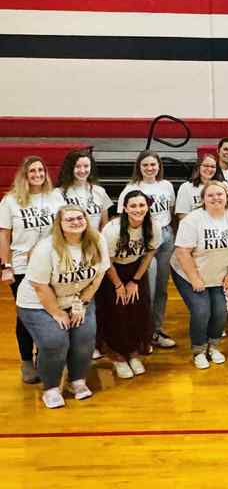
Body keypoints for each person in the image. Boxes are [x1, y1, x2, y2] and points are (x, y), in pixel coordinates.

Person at [16, 205, 110, 408]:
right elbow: (40, 286)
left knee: (85, 337)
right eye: (70, 219)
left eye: (80, 217)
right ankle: (50, 388)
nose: (76, 222)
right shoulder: (46, 248)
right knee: (55, 341)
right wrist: (57, 313)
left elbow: (99, 274)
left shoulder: (97, 240)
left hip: (77, 298)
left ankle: (77, 380)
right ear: (59, 224)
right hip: (38, 302)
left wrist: (82, 303)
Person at [170, 180, 228, 369]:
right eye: (210, 195)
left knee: (221, 311)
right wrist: (195, 278)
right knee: (201, 310)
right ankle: (198, 350)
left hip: (219, 275)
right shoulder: (193, 219)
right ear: (203, 199)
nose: (216, 198)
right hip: (189, 274)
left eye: (219, 194)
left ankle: (213, 346)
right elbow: (182, 252)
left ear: (227, 197)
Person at [1, 156, 66, 383]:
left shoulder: (55, 196)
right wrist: (6, 265)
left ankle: (43, 357)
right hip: (21, 266)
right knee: (26, 315)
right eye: (32, 171)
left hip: (51, 265)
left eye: (41, 170)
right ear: (25, 175)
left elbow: (63, 228)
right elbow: (4, 235)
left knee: (49, 312)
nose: (37, 174)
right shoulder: (11, 201)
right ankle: (26, 361)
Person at [97, 191, 160, 378]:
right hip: (112, 271)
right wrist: (118, 285)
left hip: (135, 269)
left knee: (139, 309)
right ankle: (117, 356)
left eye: (141, 205)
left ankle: (133, 352)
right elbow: (106, 261)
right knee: (117, 311)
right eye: (133, 206)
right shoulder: (112, 229)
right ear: (124, 208)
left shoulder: (152, 225)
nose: (138, 210)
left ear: (147, 207)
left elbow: (149, 253)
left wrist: (135, 281)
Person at [117, 151, 176, 349]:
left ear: (159, 166)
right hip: (144, 240)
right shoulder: (131, 189)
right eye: (146, 165)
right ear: (139, 167)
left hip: (166, 237)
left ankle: (155, 330)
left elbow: (172, 212)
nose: (150, 168)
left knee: (161, 289)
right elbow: (122, 219)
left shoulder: (166, 185)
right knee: (145, 288)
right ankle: (141, 331)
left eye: (153, 164)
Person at [56, 149, 112, 230]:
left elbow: (104, 225)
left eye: (86, 166)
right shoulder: (58, 193)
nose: (82, 170)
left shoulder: (100, 191)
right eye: (77, 166)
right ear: (70, 168)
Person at [175, 153, 221, 220]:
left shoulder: (222, 186)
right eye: (205, 166)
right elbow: (182, 215)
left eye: (213, 166)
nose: (209, 169)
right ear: (198, 167)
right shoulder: (186, 187)